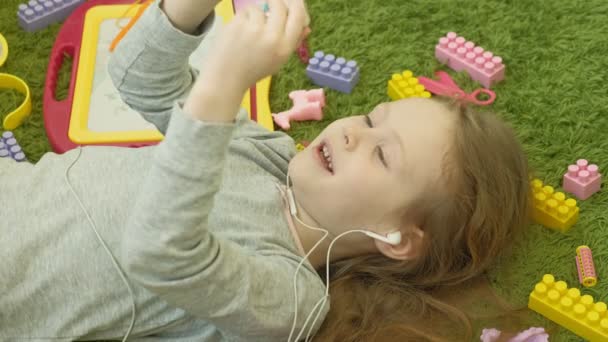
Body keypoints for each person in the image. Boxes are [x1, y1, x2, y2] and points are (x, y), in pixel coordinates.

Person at [0, 0, 530, 341]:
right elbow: (142, 80)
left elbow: (162, 252)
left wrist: (223, 85)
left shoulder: (291, 297)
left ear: (396, 237)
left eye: (382, 153)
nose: (352, 131)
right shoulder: (270, 157)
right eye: (371, 117)